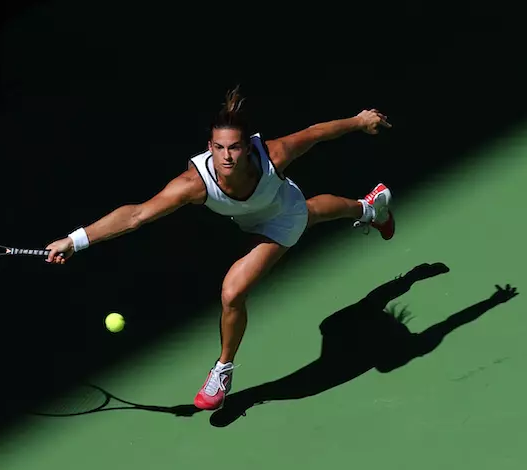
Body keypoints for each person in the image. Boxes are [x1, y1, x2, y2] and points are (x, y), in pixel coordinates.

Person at [44, 86, 394, 410]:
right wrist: (75, 240)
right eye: (219, 148)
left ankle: (222, 369)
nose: (227, 157)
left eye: (235, 147)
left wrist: (359, 121)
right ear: (209, 147)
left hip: (282, 216)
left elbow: (317, 133)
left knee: (233, 291)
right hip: (256, 215)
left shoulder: (274, 155)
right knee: (312, 213)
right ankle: (370, 208)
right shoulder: (193, 185)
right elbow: (136, 215)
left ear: (247, 146)